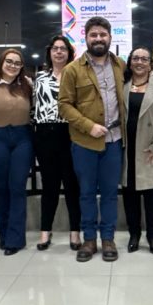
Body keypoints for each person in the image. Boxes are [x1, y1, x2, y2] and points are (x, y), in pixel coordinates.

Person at [58, 16, 126, 263]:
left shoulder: (120, 65)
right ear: (85, 38)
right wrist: (89, 126)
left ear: (110, 37)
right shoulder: (72, 69)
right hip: (84, 142)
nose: (98, 39)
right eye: (93, 35)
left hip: (115, 141)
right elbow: (64, 105)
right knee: (86, 193)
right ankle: (89, 239)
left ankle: (107, 238)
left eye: (102, 35)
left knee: (109, 193)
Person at [121, 47, 153, 254]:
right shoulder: (122, 86)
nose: (139, 62)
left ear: (150, 64)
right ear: (130, 62)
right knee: (130, 196)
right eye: (136, 58)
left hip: (151, 149)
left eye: (144, 59)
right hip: (127, 149)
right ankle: (134, 234)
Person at [32, 35, 82, 251]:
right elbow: (33, 108)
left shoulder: (76, 76)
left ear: (69, 53)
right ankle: (45, 230)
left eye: (63, 48)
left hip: (70, 133)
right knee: (49, 185)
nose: (59, 52)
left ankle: (75, 231)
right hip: (45, 134)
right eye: (55, 48)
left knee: (72, 185)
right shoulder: (39, 78)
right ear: (50, 52)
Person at [0, 48, 35, 255]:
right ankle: (4, 237)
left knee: (17, 187)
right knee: (2, 188)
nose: (13, 66)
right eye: (9, 61)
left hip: (22, 139)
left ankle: (15, 240)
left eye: (17, 63)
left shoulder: (27, 85)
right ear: (1, 62)